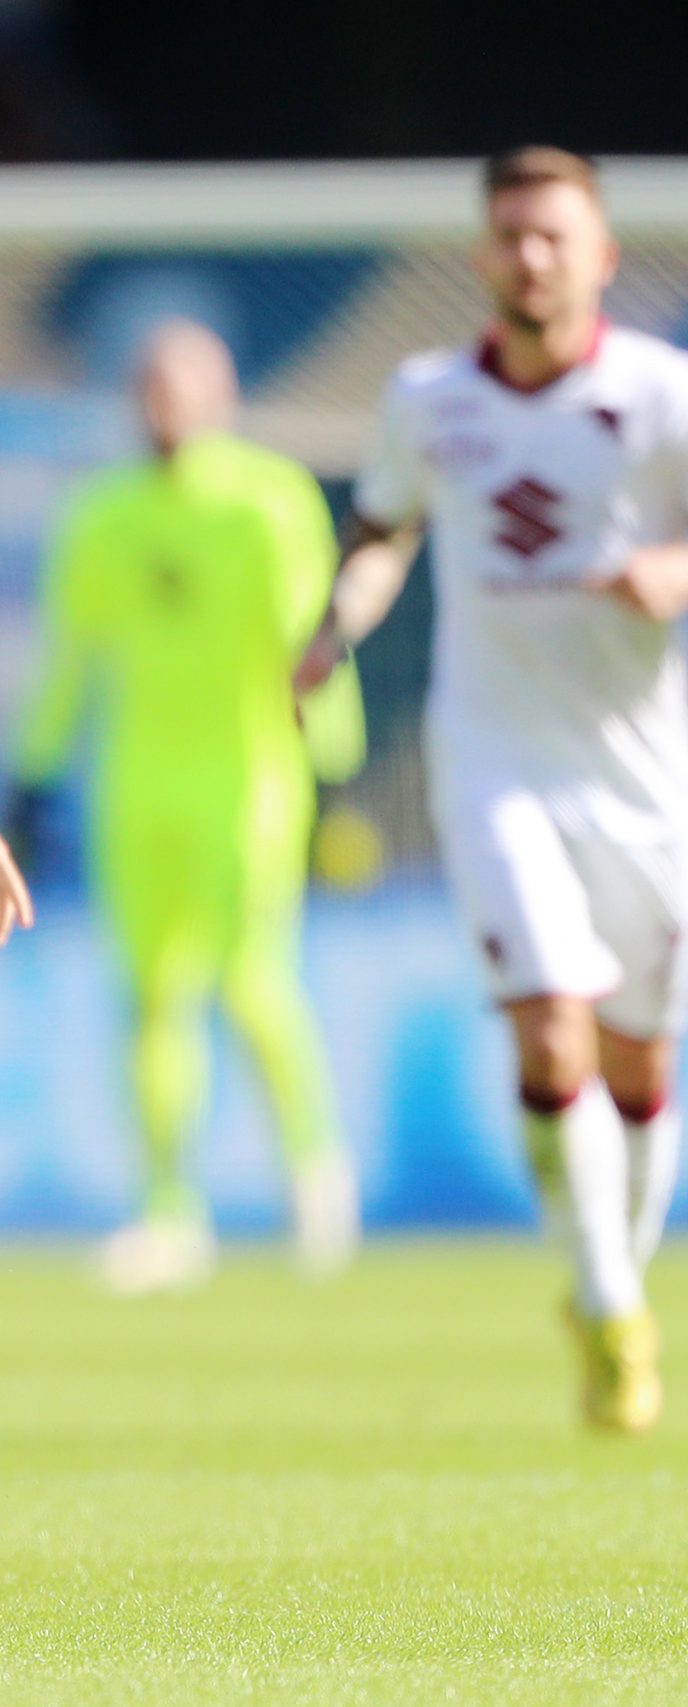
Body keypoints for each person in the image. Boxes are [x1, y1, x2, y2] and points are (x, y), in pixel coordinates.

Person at [296, 147, 688, 1434]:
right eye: (509, 236)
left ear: (599, 257)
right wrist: (337, 625)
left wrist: (668, 575)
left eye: (552, 236)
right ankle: (611, 1307)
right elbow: (385, 530)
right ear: (482, 255)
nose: (530, 257)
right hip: (495, 763)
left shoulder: (657, 396)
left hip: (639, 776)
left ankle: (609, 1281)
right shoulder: (426, 398)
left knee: (639, 1061)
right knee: (550, 1028)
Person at [12, 320, 367, 1294]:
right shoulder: (101, 512)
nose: (163, 404)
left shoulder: (268, 500)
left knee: (252, 984)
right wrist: (32, 774)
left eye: (181, 385)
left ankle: (313, 1173)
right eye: (149, 385)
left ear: (223, 395)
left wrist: (332, 772)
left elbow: (312, 642)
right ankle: (169, 1212)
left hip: (251, 782)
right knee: (152, 996)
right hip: (135, 784)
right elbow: (68, 655)